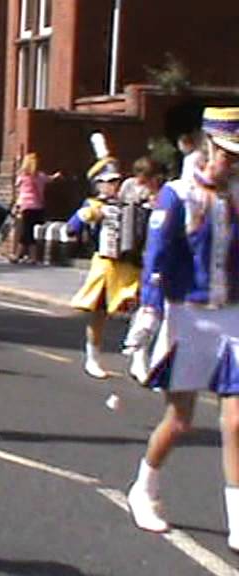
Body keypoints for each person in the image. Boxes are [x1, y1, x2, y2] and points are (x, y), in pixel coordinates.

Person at [123, 107, 239, 551]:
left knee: (236, 419)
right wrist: (149, 313)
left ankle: (236, 520)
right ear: (208, 147)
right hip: (186, 314)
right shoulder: (176, 195)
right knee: (181, 420)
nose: (231, 165)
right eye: (227, 155)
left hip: (231, 314)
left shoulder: (235, 196)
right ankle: (144, 488)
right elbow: (156, 258)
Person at [65, 157, 140, 379]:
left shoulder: (131, 203)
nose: (113, 186)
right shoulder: (94, 205)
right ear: (97, 184)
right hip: (105, 265)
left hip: (129, 265)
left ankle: (138, 358)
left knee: (143, 309)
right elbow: (71, 228)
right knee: (99, 312)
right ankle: (93, 358)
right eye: (107, 182)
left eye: (116, 181)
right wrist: (85, 215)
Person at [12, 153, 57, 264]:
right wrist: (56, 176)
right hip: (37, 207)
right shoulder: (40, 176)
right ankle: (28, 256)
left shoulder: (22, 176)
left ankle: (21, 256)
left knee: (26, 231)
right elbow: (50, 179)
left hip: (25, 207)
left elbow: (17, 188)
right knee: (29, 231)